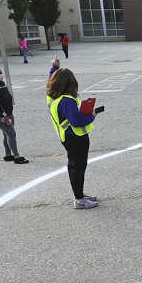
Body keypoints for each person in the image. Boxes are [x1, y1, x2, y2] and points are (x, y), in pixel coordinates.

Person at [47, 68, 98, 209]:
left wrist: (53, 68)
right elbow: (76, 121)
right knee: (78, 168)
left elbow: (50, 80)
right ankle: (79, 199)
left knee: (74, 166)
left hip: (66, 137)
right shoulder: (68, 101)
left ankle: (79, 194)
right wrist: (92, 115)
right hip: (76, 138)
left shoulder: (53, 98)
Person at [0, 67, 29, 164]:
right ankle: (16, 156)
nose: (1, 74)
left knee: (6, 134)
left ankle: (8, 154)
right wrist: (4, 115)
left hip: (8, 114)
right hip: (0, 116)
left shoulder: (1, 84)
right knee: (11, 133)